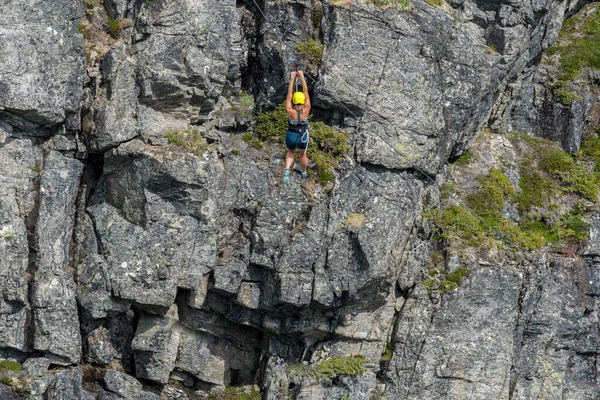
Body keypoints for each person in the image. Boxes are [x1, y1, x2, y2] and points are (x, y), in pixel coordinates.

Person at [283, 70, 311, 184]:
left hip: (291, 135)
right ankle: (303, 171)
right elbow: (305, 91)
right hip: (302, 136)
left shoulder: (290, 111)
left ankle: (286, 169)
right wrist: (302, 77)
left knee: (290, 151)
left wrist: (292, 79)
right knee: (303, 154)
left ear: (294, 100)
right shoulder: (307, 108)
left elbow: (289, 94)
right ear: (303, 100)